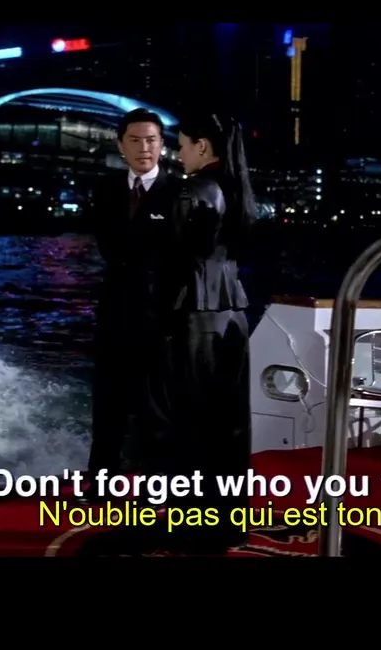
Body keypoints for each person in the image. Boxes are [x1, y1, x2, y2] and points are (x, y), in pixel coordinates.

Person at [155, 112, 258, 553]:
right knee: (230, 422)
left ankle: (190, 521)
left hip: (195, 310)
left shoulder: (192, 190)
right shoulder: (238, 190)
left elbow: (170, 257)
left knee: (191, 419)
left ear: (201, 146)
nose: (177, 153)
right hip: (233, 311)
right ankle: (229, 520)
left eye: (181, 145)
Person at [87, 108, 180, 492]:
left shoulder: (179, 192)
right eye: (136, 140)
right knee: (107, 402)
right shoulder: (105, 189)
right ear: (120, 145)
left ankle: (155, 486)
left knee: (155, 408)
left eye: (152, 140)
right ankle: (100, 483)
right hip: (114, 313)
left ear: (162, 145)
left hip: (161, 318)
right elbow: (109, 248)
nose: (144, 148)